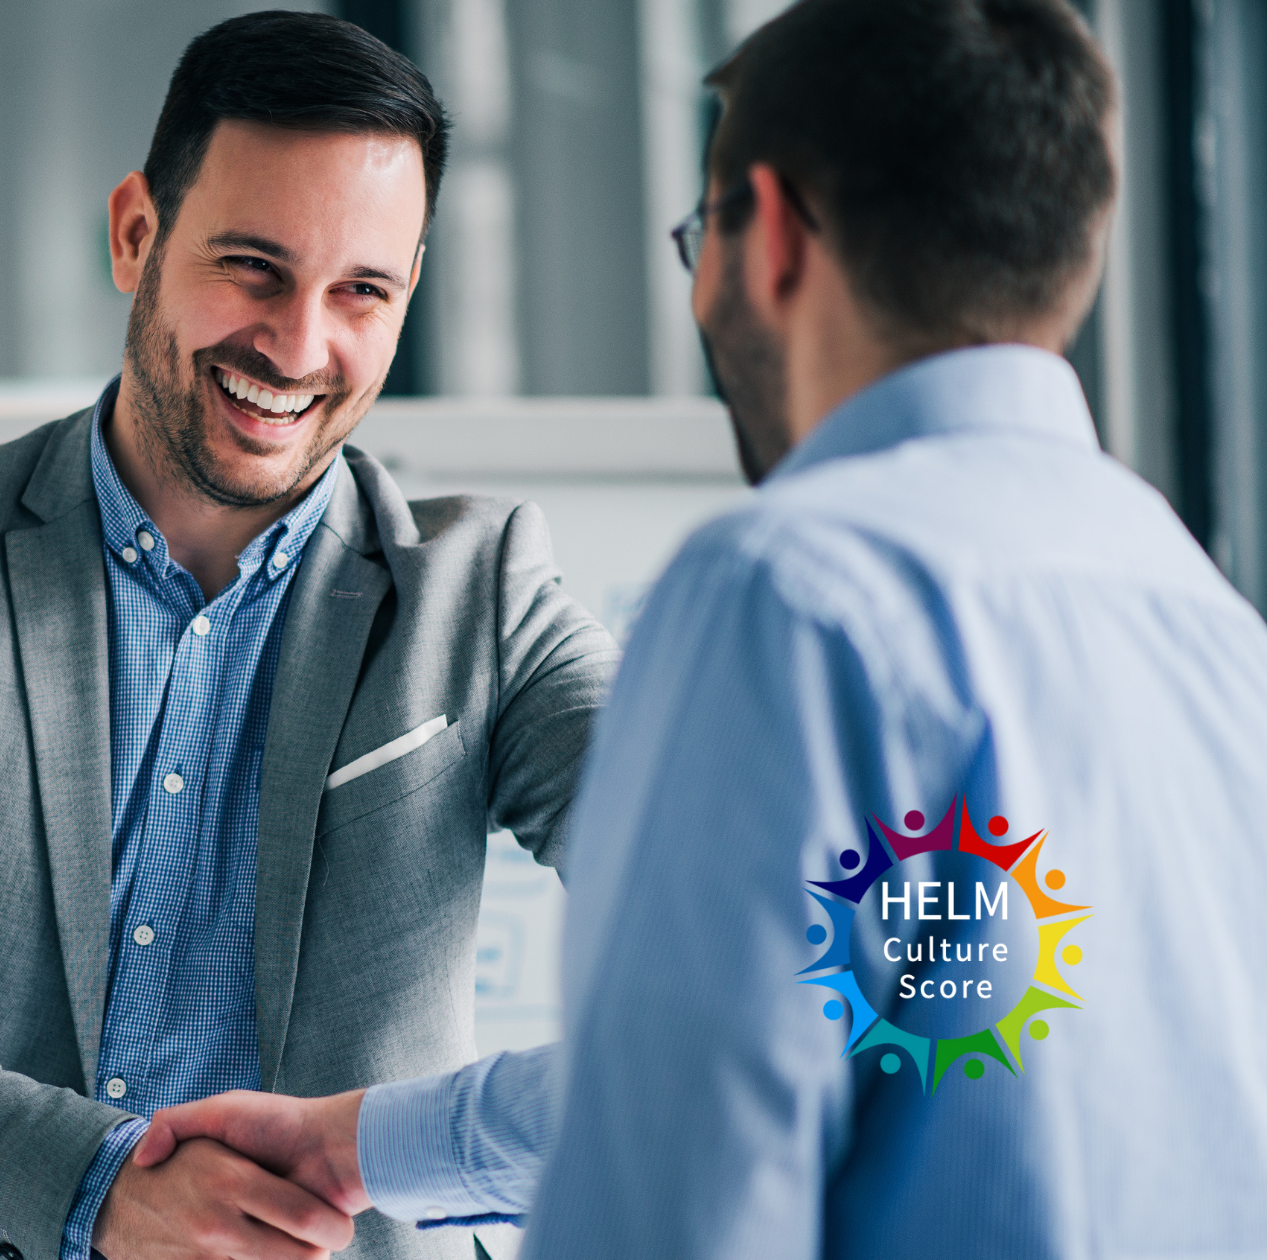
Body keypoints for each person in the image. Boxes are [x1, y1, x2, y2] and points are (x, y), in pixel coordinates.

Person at [135, 1, 1267, 1256]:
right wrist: (366, 1143)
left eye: (697, 237)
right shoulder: (1211, 629)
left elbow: (681, 1176)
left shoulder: (787, 592)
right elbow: (850, 1026)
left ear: (767, 233)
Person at [0, 11, 620, 1260]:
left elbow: (718, 883)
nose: (297, 347)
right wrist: (95, 1190)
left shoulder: (482, 593)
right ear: (137, 233)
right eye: (252, 268)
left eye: (361, 291)